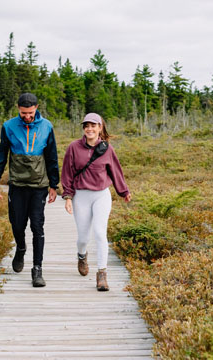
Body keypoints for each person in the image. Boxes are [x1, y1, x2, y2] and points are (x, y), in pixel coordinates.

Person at [0, 93, 59, 287]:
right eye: (23, 113)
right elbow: (2, 154)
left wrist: (54, 185)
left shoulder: (47, 126)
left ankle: (37, 269)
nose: (27, 116)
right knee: (17, 224)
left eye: (30, 113)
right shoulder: (9, 126)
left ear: (37, 107)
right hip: (17, 186)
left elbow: (52, 157)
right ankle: (20, 248)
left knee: (37, 226)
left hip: (39, 186)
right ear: (17, 109)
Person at [60, 113, 131, 291]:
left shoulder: (107, 148)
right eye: (86, 126)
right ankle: (82, 255)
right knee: (83, 237)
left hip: (101, 195)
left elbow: (116, 171)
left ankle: (102, 274)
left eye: (93, 125)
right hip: (81, 196)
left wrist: (123, 191)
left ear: (100, 128)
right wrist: (68, 197)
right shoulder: (73, 148)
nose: (89, 129)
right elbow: (67, 174)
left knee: (100, 233)